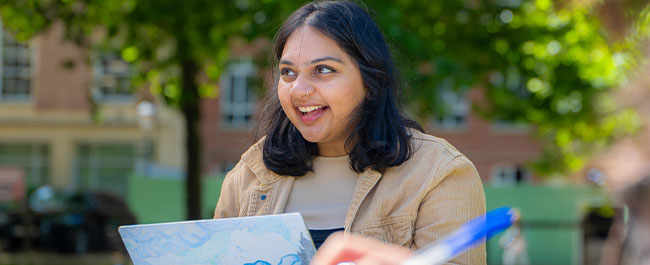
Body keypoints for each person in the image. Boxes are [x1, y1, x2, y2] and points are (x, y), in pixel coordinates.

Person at [213, 1, 486, 264]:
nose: (299, 89)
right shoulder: (248, 174)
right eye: (288, 73)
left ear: (371, 80)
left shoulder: (439, 173)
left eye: (323, 70)